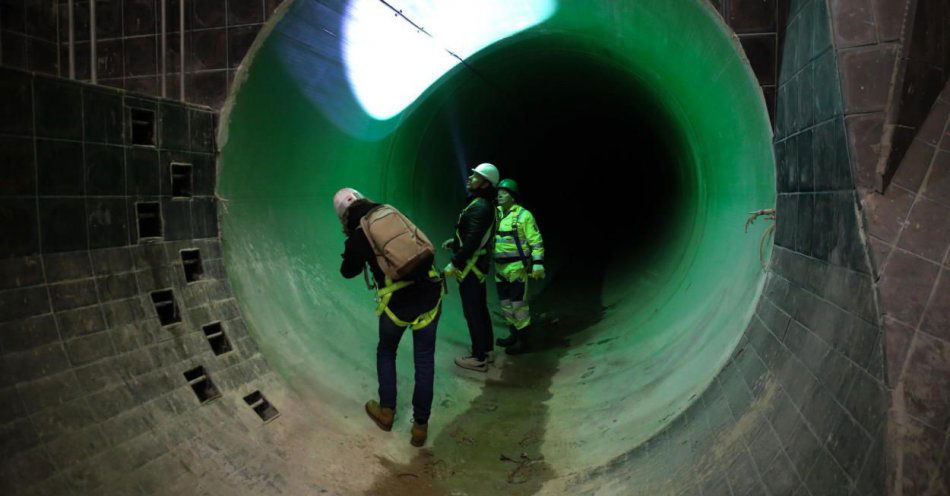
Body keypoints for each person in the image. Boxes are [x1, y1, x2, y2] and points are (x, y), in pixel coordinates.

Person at [335, 188, 443, 447]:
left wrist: (353, 249)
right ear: (364, 198)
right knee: (424, 361)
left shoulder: (358, 235)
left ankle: (386, 412)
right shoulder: (389, 211)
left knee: (386, 352)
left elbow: (347, 272)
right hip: (429, 294)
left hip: (397, 305)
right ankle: (420, 427)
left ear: (342, 216)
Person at [442, 163, 499, 372]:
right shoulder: (483, 204)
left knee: (473, 311)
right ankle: (488, 350)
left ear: (485, 183)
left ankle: (478, 357)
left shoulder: (480, 206)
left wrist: (454, 262)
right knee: (480, 309)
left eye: (475, 176)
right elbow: (474, 235)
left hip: (471, 268)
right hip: (478, 266)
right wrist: (455, 242)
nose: (470, 177)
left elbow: (473, 241)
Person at [493, 179, 544, 354]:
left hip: (516, 268)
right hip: (499, 268)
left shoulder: (524, 216)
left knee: (518, 306)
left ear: (513, 197)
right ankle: (513, 335)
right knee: (506, 305)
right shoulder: (495, 214)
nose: (500, 194)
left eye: (505, 192)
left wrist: (537, 263)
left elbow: (536, 241)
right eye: (499, 191)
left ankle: (524, 341)